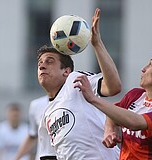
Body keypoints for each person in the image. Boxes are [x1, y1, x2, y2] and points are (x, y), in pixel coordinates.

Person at [74, 46, 152, 160]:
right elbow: (114, 114)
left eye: (150, 64)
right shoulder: (135, 95)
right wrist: (110, 129)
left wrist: (93, 98)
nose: (143, 69)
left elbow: (135, 123)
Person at [37, 8, 121, 160]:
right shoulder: (45, 115)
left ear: (66, 71)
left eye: (49, 62)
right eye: (40, 64)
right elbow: (48, 157)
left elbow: (113, 86)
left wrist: (97, 44)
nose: (42, 66)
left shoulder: (75, 81)